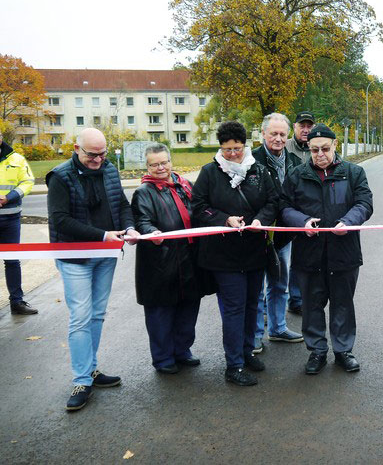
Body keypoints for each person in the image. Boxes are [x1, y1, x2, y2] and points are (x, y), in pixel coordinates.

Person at [46, 128, 140, 411]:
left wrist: (130, 227)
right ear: (76, 148)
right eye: (92, 155)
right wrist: (102, 235)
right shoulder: (60, 177)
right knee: (80, 317)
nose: (98, 160)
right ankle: (81, 380)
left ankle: (91, 370)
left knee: (97, 315)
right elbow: (60, 220)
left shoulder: (109, 170)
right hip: (74, 258)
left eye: (102, 154)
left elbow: (122, 205)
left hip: (106, 254)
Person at [191, 121, 279, 386]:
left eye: (237, 149)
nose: (232, 154)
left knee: (253, 305)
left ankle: (247, 350)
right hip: (223, 255)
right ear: (220, 147)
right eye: (227, 149)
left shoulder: (259, 170)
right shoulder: (209, 173)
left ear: (245, 145)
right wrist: (224, 219)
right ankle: (234, 365)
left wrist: (260, 220)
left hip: (254, 250)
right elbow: (198, 206)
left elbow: (274, 201)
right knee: (234, 309)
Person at [280, 124, 373, 375]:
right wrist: (302, 222)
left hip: (344, 252)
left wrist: (349, 221)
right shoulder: (297, 175)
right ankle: (317, 351)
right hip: (309, 253)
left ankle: (343, 351)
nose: (320, 154)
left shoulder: (353, 173)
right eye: (314, 150)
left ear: (335, 146)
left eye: (324, 148)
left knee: (342, 303)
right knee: (311, 305)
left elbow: (364, 203)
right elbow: (285, 207)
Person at [132, 144, 209, 374]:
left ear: (170, 161)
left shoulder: (185, 185)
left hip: (189, 258)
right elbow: (141, 220)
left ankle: (182, 350)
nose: (160, 168)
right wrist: (151, 232)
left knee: (188, 307)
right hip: (160, 261)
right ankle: (163, 358)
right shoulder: (143, 192)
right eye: (154, 164)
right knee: (161, 314)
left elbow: (199, 210)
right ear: (147, 166)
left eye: (164, 162)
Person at [251, 113, 303, 351]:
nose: (279, 139)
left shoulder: (294, 162)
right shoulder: (250, 161)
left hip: (283, 236)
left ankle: (278, 328)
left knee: (279, 284)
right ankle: (253, 338)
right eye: (274, 133)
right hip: (256, 235)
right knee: (255, 288)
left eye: (283, 134)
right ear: (263, 134)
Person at [0, 138, 36, 315]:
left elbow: (28, 182)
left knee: (12, 260)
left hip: (10, 219)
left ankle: (17, 302)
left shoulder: (17, 159)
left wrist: (9, 197)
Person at [284, 111, 315, 314]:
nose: (305, 130)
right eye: (301, 126)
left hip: (311, 209)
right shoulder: (285, 147)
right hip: (288, 208)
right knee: (284, 258)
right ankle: (281, 302)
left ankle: (301, 298)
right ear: (294, 127)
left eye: (309, 126)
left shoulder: (317, 146)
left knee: (304, 256)